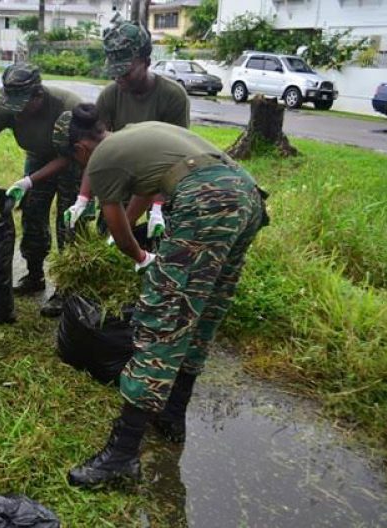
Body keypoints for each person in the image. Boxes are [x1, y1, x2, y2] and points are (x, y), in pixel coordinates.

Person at [53, 106, 268, 487]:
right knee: (204, 309)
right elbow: (141, 194)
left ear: (82, 147)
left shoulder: (100, 159)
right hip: (246, 195)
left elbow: (117, 218)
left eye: (74, 157)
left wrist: (137, 255)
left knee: (163, 319)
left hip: (206, 201)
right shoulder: (136, 131)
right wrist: (129, 235)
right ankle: (172, 414)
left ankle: (121, 456)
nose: (79, 164)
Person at [0, 63, 81, 317]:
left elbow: (72, 154)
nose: (15, 114)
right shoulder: (8, 105)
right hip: (38, 157)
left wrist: (30, 180)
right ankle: (34, 274)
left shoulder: (66, 107)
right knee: (32, 212)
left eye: (22, 106)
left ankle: (68, 288)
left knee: (69, 222)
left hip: (73, 161)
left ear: (38, 96)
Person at [64, 17, 190, 240]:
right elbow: (97, 151)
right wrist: (83, 198)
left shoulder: (173, 97)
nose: (118, 78)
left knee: (164, 238)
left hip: (163, 178)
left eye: (126, 71)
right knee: (109, 230)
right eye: (114, 71)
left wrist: (158, 207)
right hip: (123, 175)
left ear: (147, 61)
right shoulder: (111, 95)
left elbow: (176, 160)